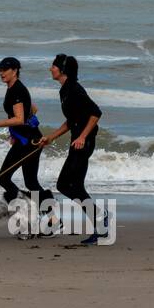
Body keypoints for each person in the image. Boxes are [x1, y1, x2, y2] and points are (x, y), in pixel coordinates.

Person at [37, 54, 103, 244]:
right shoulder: (64, 90)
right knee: (76, 186)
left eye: (53, 66)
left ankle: (101, 217)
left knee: (64, 185)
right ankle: (101, 225)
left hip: (84, 143)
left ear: (63, 69)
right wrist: (51, 137)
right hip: (77, 141)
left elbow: (96, 113)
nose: (50, 68)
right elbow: (72, 120)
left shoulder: (74, 89)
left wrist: (82, 136)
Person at [0, 57, 51, 207]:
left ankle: (24, 206)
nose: (1, 73)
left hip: (28, 142)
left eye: (5, 70)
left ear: (15, 71)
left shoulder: (17, 90)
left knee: (4, 178)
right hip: (29, 139)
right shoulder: (14, 88)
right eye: (0, 70)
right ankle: (51, 217)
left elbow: (19, 118)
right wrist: (14, 134)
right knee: (31, 182)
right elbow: (32, 109)